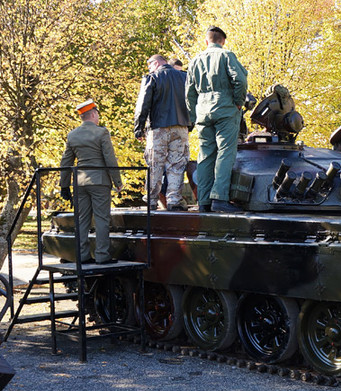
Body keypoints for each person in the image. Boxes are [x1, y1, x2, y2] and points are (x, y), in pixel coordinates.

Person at [185, 26, 248, 213]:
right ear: (223, 41)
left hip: (203, 111)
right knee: (226, 152)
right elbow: (241, 81)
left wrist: (194, 116)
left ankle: (203, 201)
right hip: (225, 110)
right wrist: (238, 102)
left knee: (204, 156)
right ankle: (219, 198)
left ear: (207, 41)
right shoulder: (227, 55)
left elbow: (189, 93)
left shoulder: (195, 60)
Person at [59, 100, 123, 264]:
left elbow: (66, 162)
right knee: (101, 219)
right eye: (98, 115)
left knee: (82, 220)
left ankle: (82, 255)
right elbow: (110, 158)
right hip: (99, 181)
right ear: (93, 114)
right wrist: (117, 181)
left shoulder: (72, 135)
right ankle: (102, 255)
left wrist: (64, 185)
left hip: (79, 182)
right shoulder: (102, 133)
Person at [134, 54, 192, 211]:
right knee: (177, 164)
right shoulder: (185, 77)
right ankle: (174, 199)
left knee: (155, 164)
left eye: (150, 65)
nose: (149, 69)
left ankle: (151, 200)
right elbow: (193, 100)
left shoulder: (152, 78)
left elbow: (143, 104)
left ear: (156, 63)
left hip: (158, 128)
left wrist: (139, 127)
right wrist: (190, 123)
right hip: (181, 127)